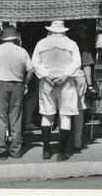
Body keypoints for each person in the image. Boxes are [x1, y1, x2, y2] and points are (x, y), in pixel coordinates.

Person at [32, 21, 81, 161]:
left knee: (47, 114)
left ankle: (46, 150)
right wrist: (65, 76)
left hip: (47, 83)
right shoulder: (71, 44)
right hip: (66, 83)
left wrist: (47, 77)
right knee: (65, 116)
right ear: (63, 30)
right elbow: (76, 63)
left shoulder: (41, 43)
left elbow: (35, 62)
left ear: (51, 30)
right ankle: (61, 152)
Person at [0, 26, 33, 160]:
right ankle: (15, 151)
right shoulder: (22, 51)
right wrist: (25, 84)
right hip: (17, 85)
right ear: (15, 38)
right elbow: (31, 71)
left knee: (1, 119)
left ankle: (0, 151)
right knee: (16, 119)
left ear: (3, 38)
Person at [68, 21, 97, 153]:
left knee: (64, 109)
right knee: (79, 109)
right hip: (78, 76)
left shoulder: (65, 42)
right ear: (81, 31)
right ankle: (77, 139)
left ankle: (63, 137)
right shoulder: (81, 43)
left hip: (63, 77)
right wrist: (90, 85)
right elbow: (87, 65)